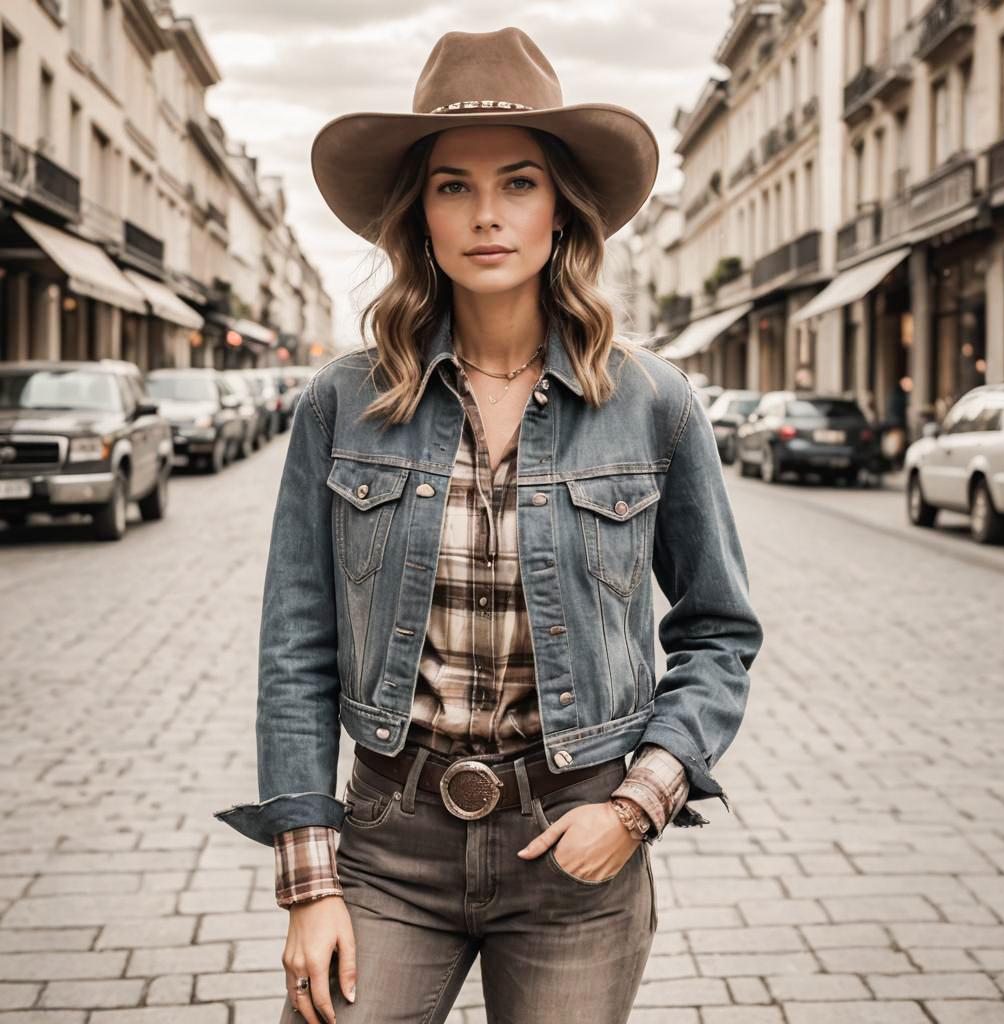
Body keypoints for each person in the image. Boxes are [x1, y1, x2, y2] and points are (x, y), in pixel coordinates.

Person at [213, 26, 762, 1024]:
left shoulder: (652, 404)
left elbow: (719, 630)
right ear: (419, 216)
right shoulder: (344, 403)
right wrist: (308, 880)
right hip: (389, 838)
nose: (486, 214)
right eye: (452, 187)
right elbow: (297, 644)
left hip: (576, 847)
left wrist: (638, 805)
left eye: (517, 182)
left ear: (561, 211)